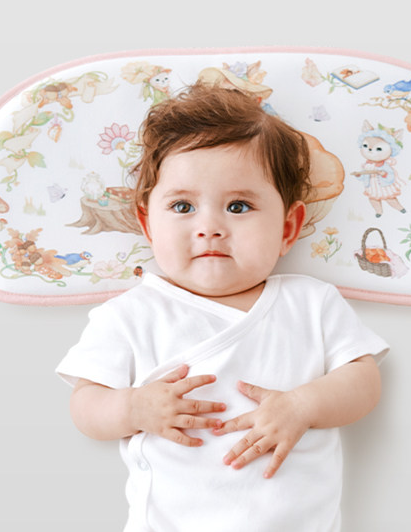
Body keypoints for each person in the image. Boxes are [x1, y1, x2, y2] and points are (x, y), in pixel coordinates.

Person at [56, 83, 390, 532]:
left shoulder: (311, 303)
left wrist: (302, 405)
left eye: (238, 206)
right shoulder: (130, 315)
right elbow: (85, 405)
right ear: (148, 225)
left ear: (288, 228)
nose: (210, 227)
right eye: (182, 206)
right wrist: (133, 408)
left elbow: (364, 381)